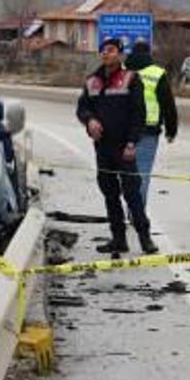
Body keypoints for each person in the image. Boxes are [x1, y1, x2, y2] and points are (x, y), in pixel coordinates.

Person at [76, 38, 157, 255]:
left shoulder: (131, 79)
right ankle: (118, 239)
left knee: (132, 193)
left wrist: (132, 143)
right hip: (103, 148)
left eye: (110, 50)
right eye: (103, 50)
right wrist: (89, 120)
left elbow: (139, 113)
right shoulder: (92, 81)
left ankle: (145, 237)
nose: (105, 54)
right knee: (110, 193)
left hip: (125, 147)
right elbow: (82, 108)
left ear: (120, 54)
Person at [125, 41, 178, 205]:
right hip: (148, 130)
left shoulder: (123, 71)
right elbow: (168, 104)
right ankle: (137, 213)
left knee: (124, 173)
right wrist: (171, 130)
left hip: (124, 130)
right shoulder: (157, 73)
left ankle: (125, 210)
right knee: (142, 172)